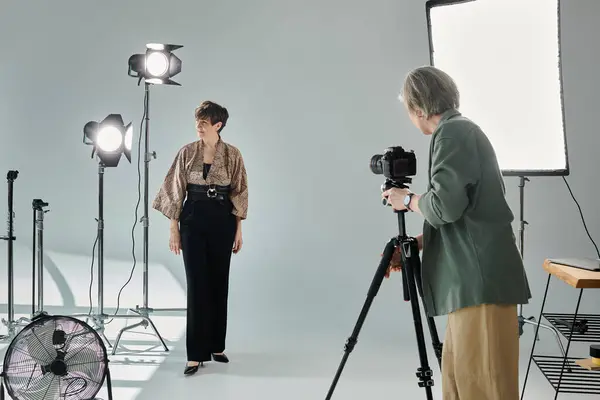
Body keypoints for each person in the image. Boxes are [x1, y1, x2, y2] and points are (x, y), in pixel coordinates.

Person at [382, 66, 531, 400]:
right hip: (475, 280)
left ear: (417, 108)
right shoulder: (459, 131)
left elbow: (443, 207)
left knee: (481, 384)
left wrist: (406, 200)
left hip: (478, 283)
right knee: (463, 380)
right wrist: (419, 243)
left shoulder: (452, 134)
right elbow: (464, 214)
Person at [152, 100, 248, 376]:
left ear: (218, 125)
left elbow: (239, 191)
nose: (199, 126)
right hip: (192, 218)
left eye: (204, 122)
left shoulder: (232, 155)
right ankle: (195, 354)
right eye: (198, 121)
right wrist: (174, 229)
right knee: (196, 284)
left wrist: (239, 229)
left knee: (219, 280)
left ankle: (217, 345)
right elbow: (174, 190)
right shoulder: (187, 152)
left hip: (222, 219)